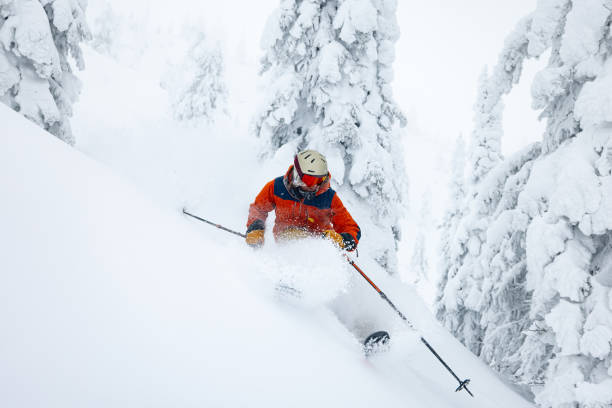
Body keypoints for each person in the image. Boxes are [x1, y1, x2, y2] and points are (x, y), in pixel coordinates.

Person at [245, 150, 360, 250]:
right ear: (297, 177)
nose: (315, 186)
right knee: (292, 235)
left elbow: (351, 228)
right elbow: (258, 209)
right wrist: (256, 227)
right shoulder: (277, 187)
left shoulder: (328, 198)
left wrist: (341, 240)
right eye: (311, 180)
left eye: (320, 180)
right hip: (284, 245)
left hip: (319, 249)